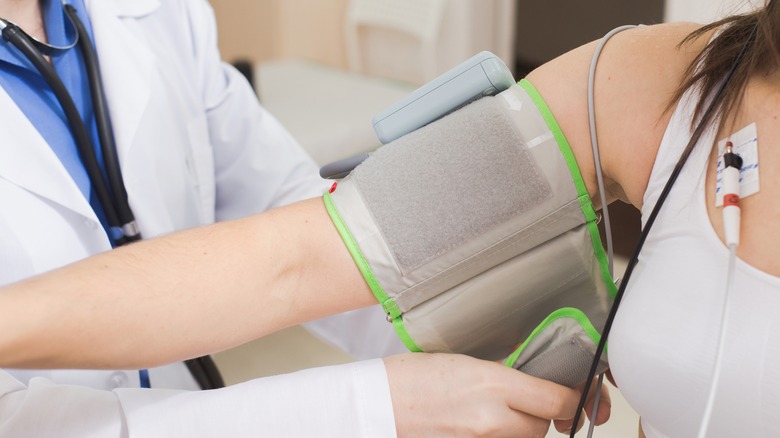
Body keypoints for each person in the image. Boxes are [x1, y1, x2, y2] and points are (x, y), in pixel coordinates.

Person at [3, 0, 780, 437]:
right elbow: (316, 250)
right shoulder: (654, 78)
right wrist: (379, 405)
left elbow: (298, 222)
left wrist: (468, 348)